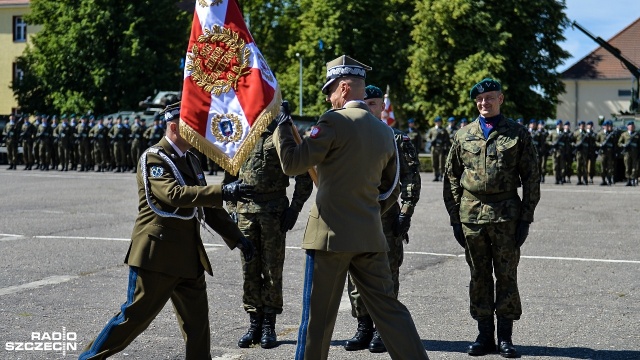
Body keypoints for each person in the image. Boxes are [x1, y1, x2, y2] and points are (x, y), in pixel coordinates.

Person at [273, 55, 429, 360]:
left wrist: (281, 129)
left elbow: (293, 164)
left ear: (343, 88)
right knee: (390, 311)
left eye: (330, 90)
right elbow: (392, 188)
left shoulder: (333, 120)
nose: (329, 97)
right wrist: (369, 212)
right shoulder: (385, 132)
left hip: (330, 237)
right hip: (370, 236)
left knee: (318, 318)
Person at [78, 102, 256, 360]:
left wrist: (238, 237)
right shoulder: (154, 157)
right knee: (132, 320)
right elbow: (173, 195)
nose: (198, 133)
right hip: (157, 256)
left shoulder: (191, 159)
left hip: (188, 257)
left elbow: (206, 205)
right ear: (175, 127)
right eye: (192, 127)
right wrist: (223, 191)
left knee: (197, 326)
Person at [443, 78, 540, 358]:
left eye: (490, 98)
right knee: (479, 276)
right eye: (479, 100)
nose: (484, 103)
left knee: (507, 276)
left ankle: (506, 338)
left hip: (506, 217)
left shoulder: (518, 134)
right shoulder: (463, 135)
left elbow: (532, 178)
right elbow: (452, 178)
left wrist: (526, 218)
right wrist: (455, 218)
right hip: (472, 217)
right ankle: (484, 335)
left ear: (501, 99)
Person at [223, 118, 313, 350]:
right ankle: (254, 323)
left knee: (273, 270)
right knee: (248, 269)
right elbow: (229, 178)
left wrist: (294, 209)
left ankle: (268, 326)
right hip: (245, 214)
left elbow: (304, 175)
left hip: (273, 213)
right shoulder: (240, 134)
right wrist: (232, 211)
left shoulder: (281, 132)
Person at [344, 84, 422, 353]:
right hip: (356, 216)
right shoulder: (350, 135)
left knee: (387, 273)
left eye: (375, 103)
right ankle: (363, 326)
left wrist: (406, 214)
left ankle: (382, 329)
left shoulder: (396, 138)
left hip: (387, 217)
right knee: (355, 274)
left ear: (381, 106)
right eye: (365, 102)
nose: (370, 107)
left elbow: (411, 179)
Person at [426, 116, 449, 181]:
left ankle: (441, 175)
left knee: (441, 163)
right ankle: (436, 175)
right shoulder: (432, 130)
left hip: (441, 148)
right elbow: (427, 137)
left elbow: (447, 140)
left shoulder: (444, 130)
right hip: (434, 148)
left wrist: (445, 148)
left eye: (439, 122)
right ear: (435, 123)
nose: (438, 123)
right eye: (437, 122)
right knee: (434, 162)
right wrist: (430, 141)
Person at [617, 121, 639, 186]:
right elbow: (619, 143)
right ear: (627, 127)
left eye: (632, 126)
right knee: (627, 167)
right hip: (627, 153)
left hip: (635, 153)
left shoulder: (637, 134)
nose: (631, 127)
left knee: (634, 167)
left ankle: (633, 179)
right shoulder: (624, 134)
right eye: (630, 125)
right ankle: (628, 180)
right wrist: (623, 145)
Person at [596, 120, 617, 185]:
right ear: (604, 126)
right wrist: (599, 144)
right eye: (607, 126)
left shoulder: (612, 134)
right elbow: (596, 141)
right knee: (603, 167)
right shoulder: (600, 133)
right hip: (603, 153)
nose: (608, 127)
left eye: (609, 126)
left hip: (610, 153)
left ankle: (609, 180)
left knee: (609, 167)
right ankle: (603, 180)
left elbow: (615, 143)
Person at [547, 120, 566, 185]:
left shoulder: (563, 132)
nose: (560, 125)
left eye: (561, 124)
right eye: (559, 124)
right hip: (555, 151)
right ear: (557, 125)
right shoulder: (553, 132)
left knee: (562, 166)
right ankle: (556, 179)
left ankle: (561, 178)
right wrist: (551, 143)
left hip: (561, 151)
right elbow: (547, 140)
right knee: (555, 166)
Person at [573, 120, 590, 185]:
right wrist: (575, 145)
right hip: (578, 152)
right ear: (579, 126)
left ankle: (585, 180)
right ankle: (579, 179)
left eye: (583, 125)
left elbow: (589, 143)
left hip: (585, 152)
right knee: (578, 166)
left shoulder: (586, 133)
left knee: (585, 166)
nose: (582, 126)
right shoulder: (576, 133)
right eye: (581, 125)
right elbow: (572, 141)